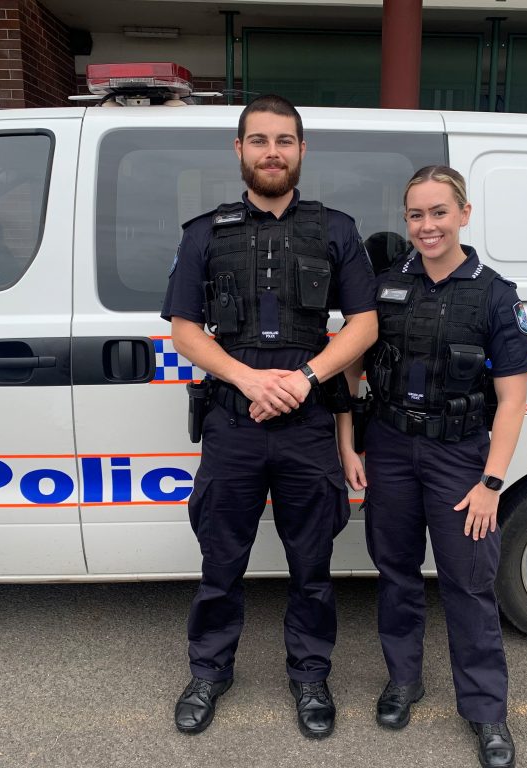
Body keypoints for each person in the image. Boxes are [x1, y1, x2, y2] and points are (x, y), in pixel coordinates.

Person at [162, 95, 378, 739]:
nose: (272, 152)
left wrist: (305, 379)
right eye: (259, 140)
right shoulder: (204, 234)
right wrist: (249, 377)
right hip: (233, 422)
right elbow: (183, 330)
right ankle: (209, 670)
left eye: (284, 140)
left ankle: (311, 675)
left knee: (312, 563)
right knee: (219, 560)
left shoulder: (337, 230)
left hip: (307, 426)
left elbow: (364, 324)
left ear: (302, 151)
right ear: (239, 150)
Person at [337, 166, 527, 768]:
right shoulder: (383, 285)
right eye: (416, 215)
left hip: (459, 458)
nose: (427, 226)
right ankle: (404, 681)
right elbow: (352, 368)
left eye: (439, 213)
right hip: (392, 449)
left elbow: (513, 398)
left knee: (468, 584)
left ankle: (485, 711)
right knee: (395, 572)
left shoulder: (495, 293)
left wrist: (491, 484)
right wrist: (349, 445)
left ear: (464, 214)